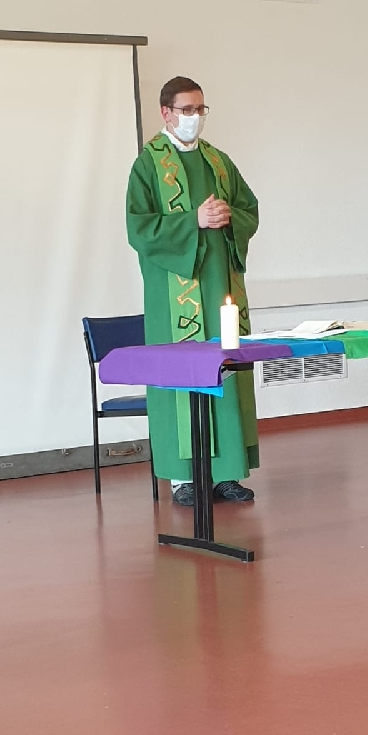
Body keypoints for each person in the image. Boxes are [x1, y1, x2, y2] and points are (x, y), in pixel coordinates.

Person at [126, 76, 260, 507]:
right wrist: (193, 221)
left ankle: (226, 473)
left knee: (224, 367)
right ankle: (183, 479)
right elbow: (139, 228)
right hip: (175, 295)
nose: (194, 118)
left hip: (220, 287)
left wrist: (228, 215)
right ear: (166, 113)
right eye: (186, 110)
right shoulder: (149, 164)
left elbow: (249, 208)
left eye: (200, 110)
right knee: (180, 375)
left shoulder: (218, 161)